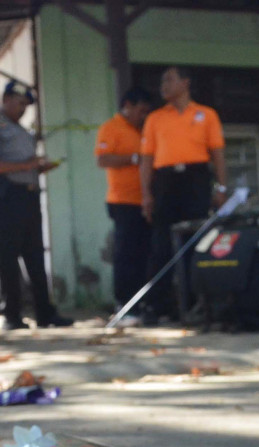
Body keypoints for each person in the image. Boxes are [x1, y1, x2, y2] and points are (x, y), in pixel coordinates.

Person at [0, 81, 73, 331]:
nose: (23, 109)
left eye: (26, 106)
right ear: (6, 99)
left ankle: (45, 313)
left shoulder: (20, 129)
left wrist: (39, 167)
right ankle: (12, 315)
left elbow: (25, 163)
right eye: (19, 103)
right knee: (9, 255)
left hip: (29, 195)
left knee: (36, 254)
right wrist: (25, 165)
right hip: (8, 195)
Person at [139, 66, 228, 325]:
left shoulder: (207, 115)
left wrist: (221, 188)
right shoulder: (155, 118)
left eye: (169, 79)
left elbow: (218, 154)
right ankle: (155, 306)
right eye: (162, 80)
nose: (163, 85)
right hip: (165, 181)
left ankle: (195, 305)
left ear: (185, 83)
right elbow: (146, 159)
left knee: (196, 242)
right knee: (161, 245)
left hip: (196, 178)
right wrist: (146, 194)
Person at [95, 86, 154, 326]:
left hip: (146, 201)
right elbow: (102, 159)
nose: (143, 116)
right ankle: (124, 306)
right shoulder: (111, 127)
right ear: (127, 106)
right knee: (125, 255)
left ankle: (144, 305)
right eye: (140, 111)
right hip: (122, 202)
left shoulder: (146, 129)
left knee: (146, 255)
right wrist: (133, 158)